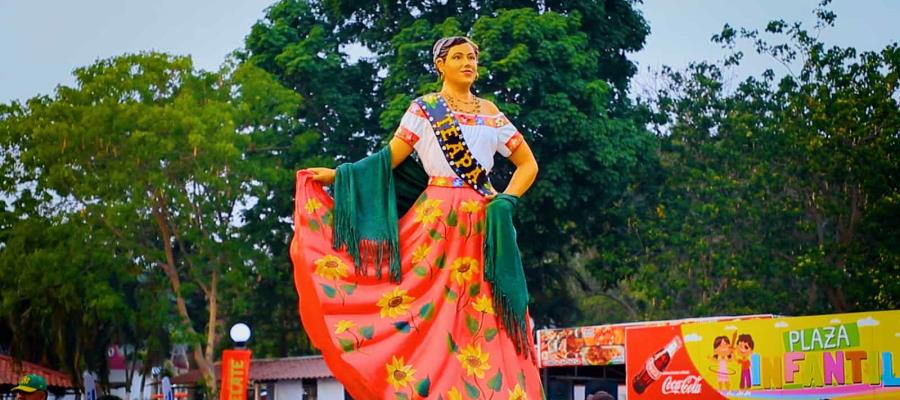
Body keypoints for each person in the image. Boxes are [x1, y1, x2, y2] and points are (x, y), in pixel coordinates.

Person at [291, 36, 541, 399]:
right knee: (425, 307)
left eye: (472, 56)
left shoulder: (491, 113)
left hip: (482, 225)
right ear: (440, 64)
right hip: (436, 221)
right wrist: (337, 175)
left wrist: (508, 200)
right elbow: (389, 157)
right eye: (458, 57)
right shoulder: (425, 109)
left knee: (483, 313)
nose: (468, 62)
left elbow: (527, 164)